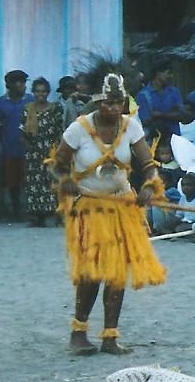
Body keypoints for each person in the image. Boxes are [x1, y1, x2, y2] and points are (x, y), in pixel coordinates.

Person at [49, 72, 165, 355]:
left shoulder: (131, 126)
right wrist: (65, 181)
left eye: (118, 103)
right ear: (99, 102)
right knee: (91, 272)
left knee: (116, 271)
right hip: (89, 207)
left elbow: (148, 163)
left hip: (122, 206)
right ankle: (79, 332)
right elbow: (57, 164)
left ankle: (110, 336)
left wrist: (150, 185)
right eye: (108, 103)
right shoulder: (79, 128)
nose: (113, 108)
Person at [22, 77, 65, 226]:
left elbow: (60, 130)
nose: (41, 94)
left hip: (51, 151)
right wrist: (29, 149)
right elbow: (22, 132)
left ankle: (54, 214)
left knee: (51, 182)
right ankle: (35, 216)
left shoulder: (56, 108)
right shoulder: (28, 109)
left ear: (48, 92)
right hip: (34, 153)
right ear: (33, 92)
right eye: (38, 91)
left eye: (44, 91)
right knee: (35, 183)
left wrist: (59, 152)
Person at [0, 69, 30, 220]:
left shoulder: (31, 101)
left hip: (28, 149)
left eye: (24, 82)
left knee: (29, 180)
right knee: (12, 181)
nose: (23, 86)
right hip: (8, 149)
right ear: (10, 85)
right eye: (19, 82)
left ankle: (31, 211)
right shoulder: (0, 103)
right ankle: (15, 212)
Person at [136, 61, 187, 143]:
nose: (171, 76)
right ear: (158, 73)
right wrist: (171, 114)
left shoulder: (174, 92)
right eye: (168, 73)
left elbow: (182, 116)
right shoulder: (143, 95)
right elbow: (145, 121)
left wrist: (159, 115)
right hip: (153, 144)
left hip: (175, 143)